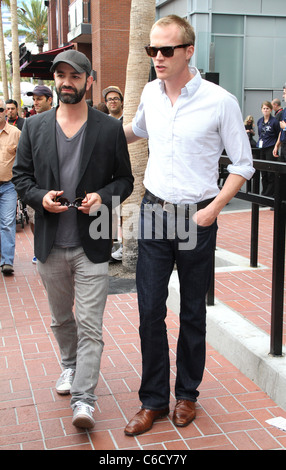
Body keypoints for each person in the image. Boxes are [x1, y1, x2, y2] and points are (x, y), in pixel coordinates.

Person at [123, 15, 255, 436]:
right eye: (151, 50)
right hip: (154, 210)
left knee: (193, 310)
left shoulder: (221, 101)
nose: (157, 58)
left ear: (188, 51)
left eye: (166, 50)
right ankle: (153, 400)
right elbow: (138, 130)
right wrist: (92, 130)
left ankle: (187, 396)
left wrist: (214, 208)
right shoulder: (149, 92)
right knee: (148, 309)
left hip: (198, 216)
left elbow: (242, 165)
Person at [12, 49, 133, 429]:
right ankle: (68, 366)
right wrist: (39, 198)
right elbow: (21, 178)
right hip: (50, 244)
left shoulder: (108, 128)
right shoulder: (34, 127)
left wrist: (104, 197)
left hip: (92, 244)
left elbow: (125, 180)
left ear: (89, 80)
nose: (67, 81)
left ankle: (85, 399)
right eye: (60, 75)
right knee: (63, 319)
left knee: (91, 325)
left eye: (75, 76)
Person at [26, 85, 54, 263]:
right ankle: (39, 247)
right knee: (33, 218)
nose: (35, 102)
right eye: (34, 99)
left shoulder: (57, 122)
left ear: (49, 100)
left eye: (39, 98)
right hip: (35, 186)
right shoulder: (29, 123)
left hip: (52, 184)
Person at [102, 86, 125, 260]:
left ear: (122, 101)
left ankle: (126, 246)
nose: (113, 101)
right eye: (109, 99)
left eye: (116, 98)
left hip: (127, 176)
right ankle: (107, 250)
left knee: (126, 214)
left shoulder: (129, 119)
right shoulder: (103, 123)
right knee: (109, 215)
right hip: (109, 178)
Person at [0, 98, 21, 275]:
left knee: (7, 223)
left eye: (0, 109)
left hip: (8, 186)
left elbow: (23, 160)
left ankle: (7, 261)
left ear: (5, 112)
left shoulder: (16, 133)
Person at [257, 101, 280, 197]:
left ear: (270, 109)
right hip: (262, 147)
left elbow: (279, 133)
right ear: (261, 110)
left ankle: (269, 194)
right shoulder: (260, 121)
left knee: (270, 172)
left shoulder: (274, 122)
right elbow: (259, 134)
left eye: (267, 108)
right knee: (263, 172)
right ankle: (264, 192)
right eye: (264, 108)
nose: (265, 110)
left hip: (270, 147)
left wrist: (276, 146)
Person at [273, 85, 286, 162]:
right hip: (284, 145)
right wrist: (277, 145)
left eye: (284, 93)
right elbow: (281, 130)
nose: (283, 96)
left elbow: (284, 127)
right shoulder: (284, 111)